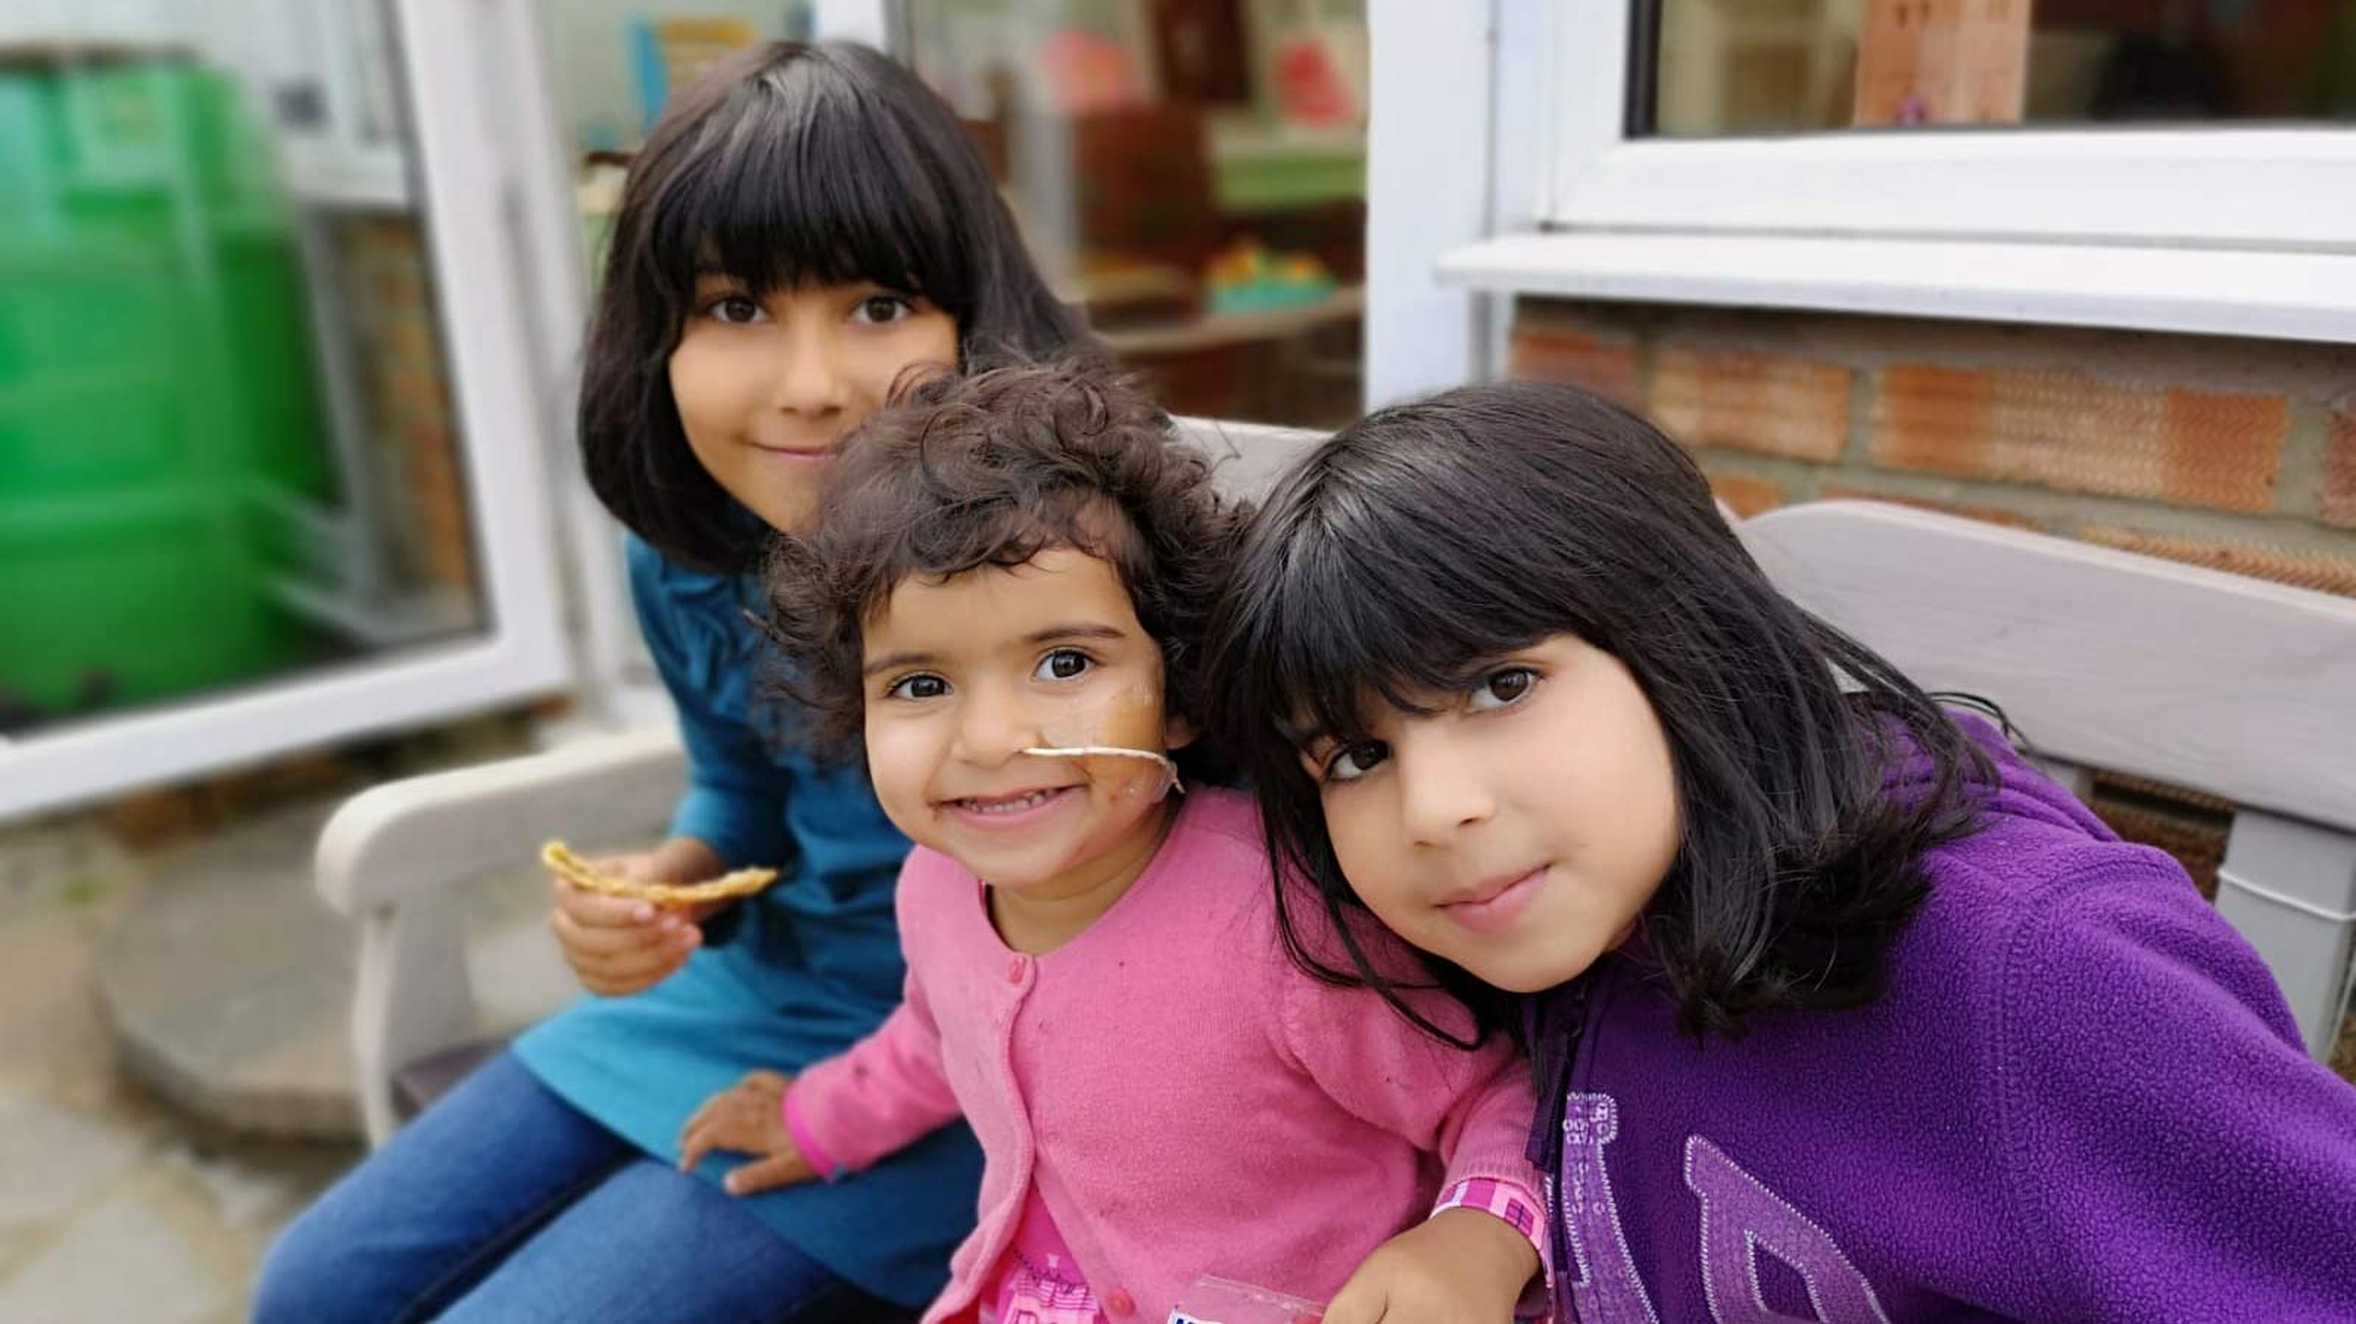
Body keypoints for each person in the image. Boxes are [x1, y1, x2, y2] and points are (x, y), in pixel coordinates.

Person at [1206, 379, 2356, 1322]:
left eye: (1502, 684)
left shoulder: (2026, 977)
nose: (1431, 809)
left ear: (1685, 641)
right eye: (1354, 756)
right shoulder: (1562, 918)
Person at [256, 41, 1085, 1323]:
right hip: (756, 996)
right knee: (310, 1289)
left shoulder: (1064, 591)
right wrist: (673, 883)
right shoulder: (695, 566)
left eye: (876, 306)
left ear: (977, 321)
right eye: (738, 307)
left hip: (984, 1069)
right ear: (656, 338)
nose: (811, 389)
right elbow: (738, 794)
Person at [680, 362, 1550, 1324]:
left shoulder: (1283, 921)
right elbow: (935, 1038)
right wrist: (817, 1120)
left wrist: (1476, 1239)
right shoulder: (934, 887)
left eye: (1065, 663)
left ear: (1179, 694)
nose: (990, 741)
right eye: (920, 685)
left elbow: (1496, 1098)